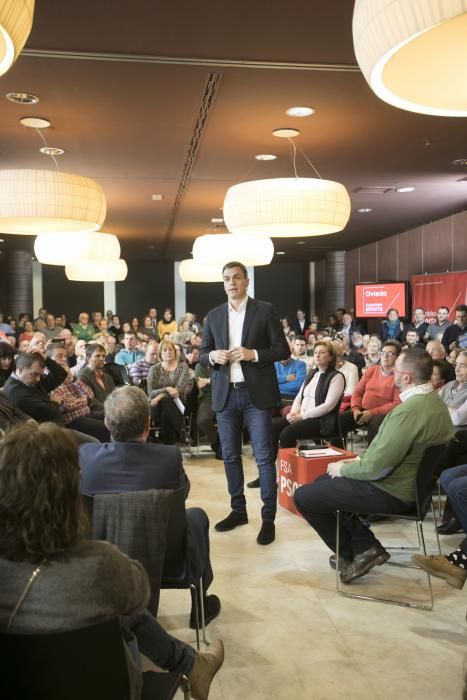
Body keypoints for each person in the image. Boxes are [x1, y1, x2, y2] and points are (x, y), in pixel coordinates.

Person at [0, 422, 224, 700]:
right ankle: (190, 663)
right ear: (71, 494)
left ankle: (191, 663)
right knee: (122, 609)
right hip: (108, 688)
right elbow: (140, 594)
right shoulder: (101, 564)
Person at [293, 348, 453, 583]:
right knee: (323, 484)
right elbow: (383, 457)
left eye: (396, 369)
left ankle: (359, 551)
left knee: (305, 496)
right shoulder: (434, 402)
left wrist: (343, 468)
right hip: (410, 487)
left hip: (392, 490)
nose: (390, 373)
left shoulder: (410, 411)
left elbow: (376, 468)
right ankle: (362, 546)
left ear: (406, 377)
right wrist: (355, 462)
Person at [80, 385, 220, 628]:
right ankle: (201, 603)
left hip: (101, 557)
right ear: (148, 424)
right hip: (166, 559)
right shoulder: (169, 457)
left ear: (106, 422)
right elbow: (182, 494)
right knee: (197, 516)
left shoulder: (87, 457)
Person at [200, 261, 290, 545]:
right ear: (223, 282)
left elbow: (282, 349)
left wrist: (253, 354)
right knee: (230, 456)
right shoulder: (213, 316)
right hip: (225, 393)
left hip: (256, 395)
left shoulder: (264, 310)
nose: (231, 283)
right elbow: (202, 353)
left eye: (236, 278)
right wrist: (212, 357)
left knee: (263, 458)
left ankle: (268, 519)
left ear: (246, 281)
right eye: (226, 278)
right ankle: (238, 511)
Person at [271, 340, 345, 455]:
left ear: (330, 357)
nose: (317, 355)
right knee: (273, 428)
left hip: (322, 421)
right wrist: (293, 412)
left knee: (287, 433)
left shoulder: (336, 376)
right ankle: (271, 467)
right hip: (301, 416)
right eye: (315, 352)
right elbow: (299, 396)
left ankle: (291, 470)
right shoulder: (312, 373)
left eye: (322, 352)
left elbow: (328, 406)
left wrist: (302, 416)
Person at [339, 340, 401, 444]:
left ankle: (370, 458)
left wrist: (371, 413)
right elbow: (357, 392)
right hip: (362, 410)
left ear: (397, 357)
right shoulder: (371, 370)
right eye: (383, 353)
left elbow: (396, 403)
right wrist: (355, 409)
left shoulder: (399, 376)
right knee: (337, 421)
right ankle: (340, 454)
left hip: (382, 414)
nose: (385, 356)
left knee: (376, 426)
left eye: (390, 354)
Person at [147, 340, 192, 445]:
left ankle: (168, 445)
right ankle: (181, 431)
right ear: (160, 353)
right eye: (165, 350)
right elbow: (151, 393)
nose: (168, 352)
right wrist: (166, 389)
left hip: (178, 404)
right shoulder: (154, 369)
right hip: (156, 405)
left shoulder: (183, 367)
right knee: (165, 405)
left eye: (171, 349)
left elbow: (178, 391)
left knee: (166, 409)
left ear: (175, 352)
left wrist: (160, 396)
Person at [77, 343, 115, 411]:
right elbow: (91, 402)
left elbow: (115, 397)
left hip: (112, 411)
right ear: (88, 358)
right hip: (96, 414)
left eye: (103, 356)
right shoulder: (83, 376)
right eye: (97, 356)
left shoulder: (108, 377)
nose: (101, 359)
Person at [439, 350, 467, 427]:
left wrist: (439, 406)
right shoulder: (449, 385)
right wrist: (451, 410)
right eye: (456, 364)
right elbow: (430, 405)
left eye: (462, 365)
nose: (456, 369)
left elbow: (457, 419)